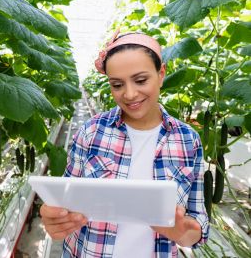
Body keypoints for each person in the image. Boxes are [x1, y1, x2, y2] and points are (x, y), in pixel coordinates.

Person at [40, 29, 209, 258]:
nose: (129, 94)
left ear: (161, 74)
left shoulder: (188, 140)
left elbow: (197, 227)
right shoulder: (91, 131)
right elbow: (68, 203)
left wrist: (181, 232)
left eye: (141, 80)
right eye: (117, 85)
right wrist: (56, 220)